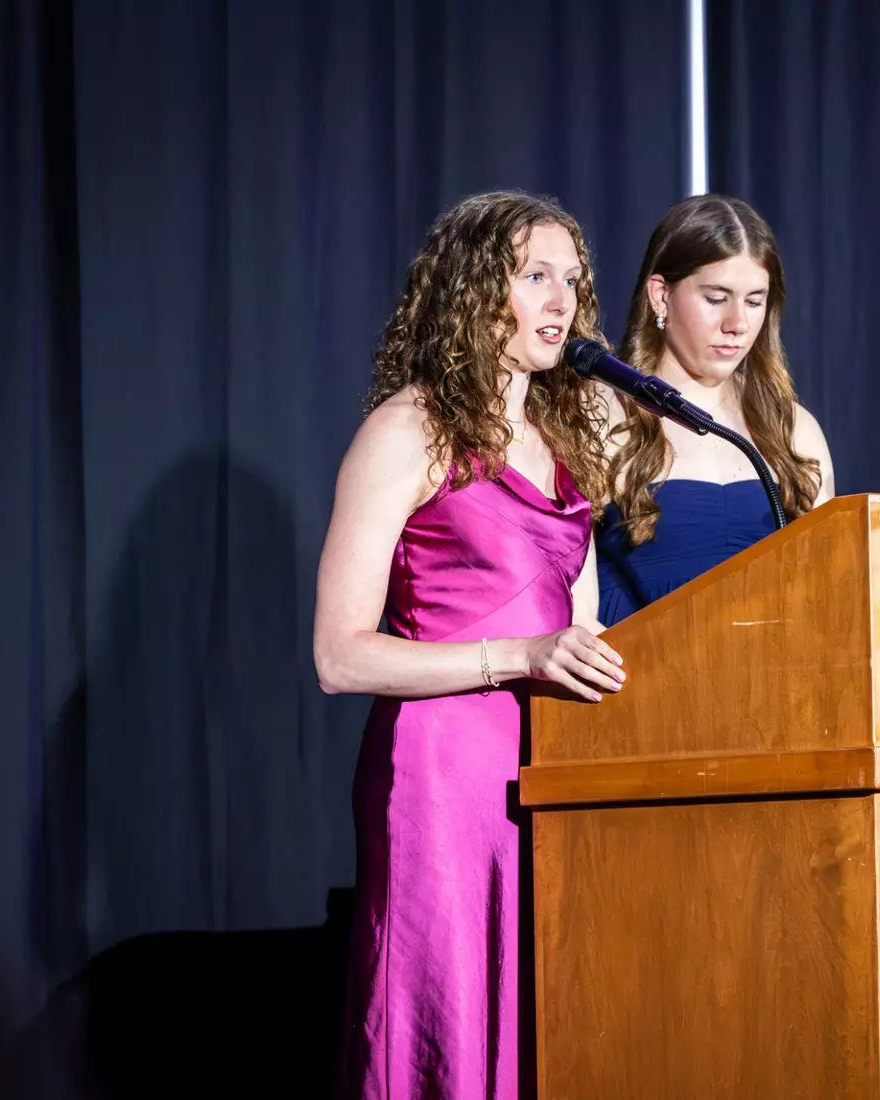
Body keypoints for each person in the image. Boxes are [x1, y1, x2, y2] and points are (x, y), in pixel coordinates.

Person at [312, 191, 625, 1100]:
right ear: (475, 290)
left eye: (572, 280)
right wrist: (517, 657)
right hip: (440, 774)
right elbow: (339, 656)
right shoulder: (406, 430)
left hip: (548, 769)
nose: (562, 301)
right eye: (535, 277)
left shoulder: (563, 441)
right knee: (445, 1018)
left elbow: (581, 628)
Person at [595, 194, 835, 622]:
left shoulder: (794, 430)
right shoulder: (602, 416)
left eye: (754, 301)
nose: (737, 324)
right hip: (636, 663)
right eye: (716, 298)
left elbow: (827, 594)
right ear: (661, 295)